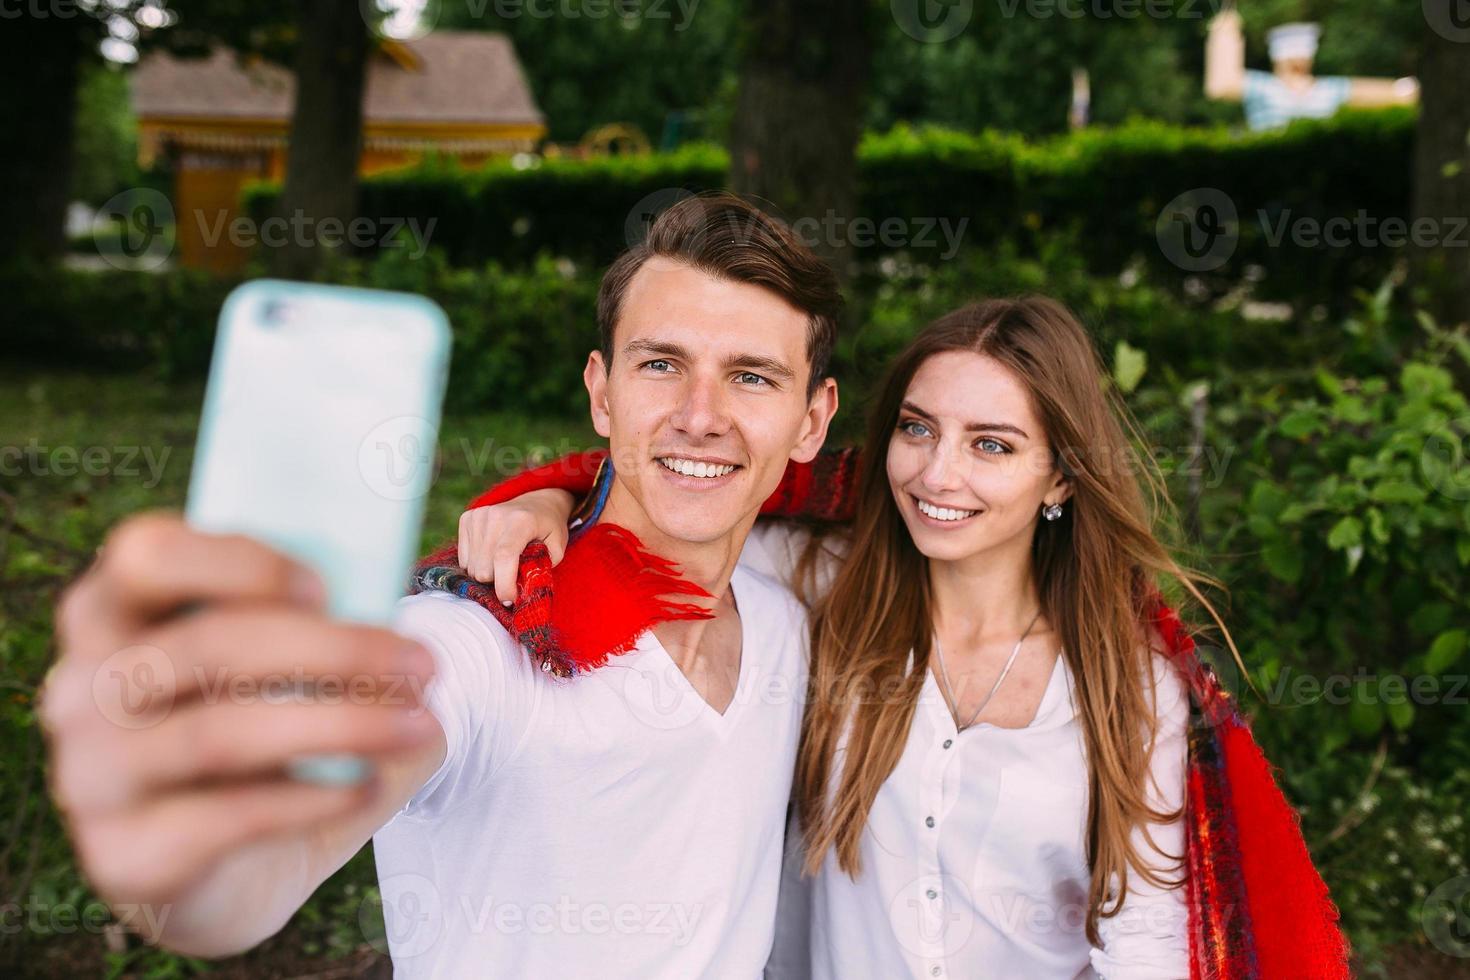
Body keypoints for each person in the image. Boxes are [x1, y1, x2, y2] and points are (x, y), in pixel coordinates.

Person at [40, 192, 841, 977]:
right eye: (661, 364)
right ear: (603, 392)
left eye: (753, 377)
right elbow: (249, 883)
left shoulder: (785, 612)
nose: (699, 415)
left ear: (812, 421)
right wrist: (192, 863)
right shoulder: (478, 635)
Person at [455, 298, 1352, 978]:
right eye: (918, 429)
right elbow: (662, 506)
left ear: (1062, 480)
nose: (937, 473)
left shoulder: (1132, 691)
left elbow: (1148, 943)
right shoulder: (815, 588)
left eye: (992, 445)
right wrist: (546, 501)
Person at [1205, 7, 1418, 131]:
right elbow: (1221, 85)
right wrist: (1225, 33)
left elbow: (1391, 93)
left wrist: (1413, 90)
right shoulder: (1263, 87)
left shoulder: (1328, 89)